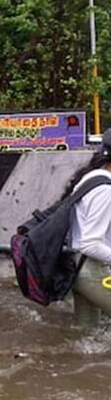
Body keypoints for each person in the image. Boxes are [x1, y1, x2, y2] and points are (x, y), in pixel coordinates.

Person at [66, 128, 111, 323]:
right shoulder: (106, 190)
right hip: (93, 272)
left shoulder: (91, 178)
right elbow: (90, 243)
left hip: (77, 268)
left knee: (86, 338)